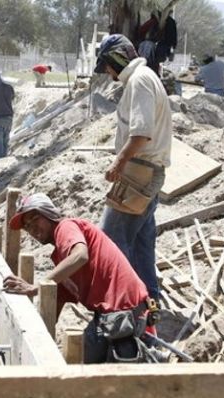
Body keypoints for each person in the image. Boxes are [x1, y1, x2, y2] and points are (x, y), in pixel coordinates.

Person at [2, 194, 158, 364]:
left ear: (47, 213)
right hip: (118, 316)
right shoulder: (61, 259)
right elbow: (54, 304)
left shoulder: (65, 227)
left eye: (34, 219)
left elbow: (80, 255)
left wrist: (35, 288)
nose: (32, 229)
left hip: (125, 314)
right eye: (27, 227)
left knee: (78, 371)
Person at [94, 34, 172, 302]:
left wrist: (119, 162)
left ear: (115, 58)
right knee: (140, 241)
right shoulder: (145, 77)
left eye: (106, 64)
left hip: (139, 172)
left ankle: (126, 302)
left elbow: (141, 133)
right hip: (146, 171)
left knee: (112, 238)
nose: (107, 71)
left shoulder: (139, 81)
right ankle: (147, 299)